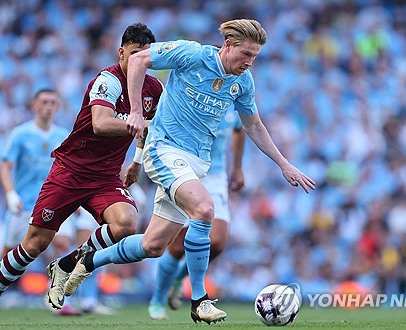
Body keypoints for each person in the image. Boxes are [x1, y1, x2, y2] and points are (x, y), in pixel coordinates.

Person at [62, 19, 316, 325]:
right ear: (228, 45)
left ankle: (88, 260)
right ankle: (199, 300)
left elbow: (253, 126)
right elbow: (141, 59)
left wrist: (284, 164)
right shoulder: (191, 54)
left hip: (196, 162)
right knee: (204, 210)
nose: (249, 62)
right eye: (245, 53)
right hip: (164, 149)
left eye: (255, 56)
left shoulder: (243, 82)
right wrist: (136, 112)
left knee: (153, 246)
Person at [0, 23, 163, 327]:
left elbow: (146, 131)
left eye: (146, 56)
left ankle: (67, 264)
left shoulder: (154, 89)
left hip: (105, 177)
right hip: (70, 172)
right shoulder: (107, 80)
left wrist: (137, 162)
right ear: (121, 53)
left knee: (127, 222)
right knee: (34, 245)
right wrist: (140, 124)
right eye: (134, 54)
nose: (140, 60)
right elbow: (101, 123)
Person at [148, 107, 245, 320]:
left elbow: (240, 128)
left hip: (216, 175)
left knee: (217, 243)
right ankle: (157, 299)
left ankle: (178, 279)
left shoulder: (234, 104)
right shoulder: (197, 98)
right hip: (187, 173)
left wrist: (237, 167)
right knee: (176, 245)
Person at [0, 88, 82, 316]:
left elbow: (73, 169)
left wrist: (78, 202)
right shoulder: (20, 134)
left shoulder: (64, 136)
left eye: (53, 102)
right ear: (33, 105)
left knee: (63, 245)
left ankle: (53, 298)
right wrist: (10, 194)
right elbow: (5, 167)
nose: (48, 106)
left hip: (56, 203)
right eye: (44, 102)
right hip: (24, 203)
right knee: (10, 252)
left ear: (58, 107)